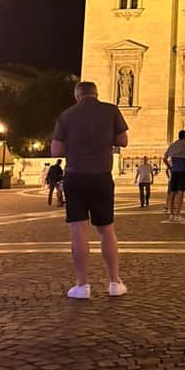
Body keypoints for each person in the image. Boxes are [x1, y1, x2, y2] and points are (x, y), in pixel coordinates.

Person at [51, 80, 128, 299]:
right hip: (101, 177)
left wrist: (74, 145)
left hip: (75, 176)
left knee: (78, 231)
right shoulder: (111, 110)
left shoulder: (66, 115)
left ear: (77, 96)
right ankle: (114, 282)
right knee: (107, 231)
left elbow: (56, 149)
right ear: (96, 94)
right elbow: (123, 140)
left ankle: (82, 285)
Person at [164, 130, 185, 222]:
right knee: (180, 193)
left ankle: (171, 213)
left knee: (172, 192)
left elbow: (165, 158)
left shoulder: (172, 145)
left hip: (174, 171)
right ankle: (177, 214)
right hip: (183, 171)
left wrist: (170, 167)